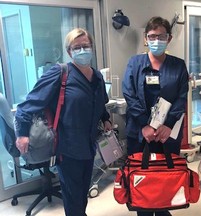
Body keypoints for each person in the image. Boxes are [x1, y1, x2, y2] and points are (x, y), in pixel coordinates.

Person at [14, 28, 112, 216]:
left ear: (92, 48)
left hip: (89, 147)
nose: (82, 50)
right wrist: (22, 134)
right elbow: (28, 104)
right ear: (69, 52)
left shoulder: (97, 77)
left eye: (86, 46)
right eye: (77, 47)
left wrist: (105, 118)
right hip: (67, 148)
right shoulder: (60, 73)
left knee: (81, 194)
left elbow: (99, 103)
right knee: (73, 197)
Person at [122, 16, 189, 216]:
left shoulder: (178, 65)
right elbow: (129, 94)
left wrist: (167, 125)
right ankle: (143, 208)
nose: (156, 40)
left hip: (167, 132)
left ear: (168, 38)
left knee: (164, 174)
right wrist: (145, 125)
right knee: (141, 173)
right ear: (145, 38)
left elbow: (181, 97)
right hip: (140, 131)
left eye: (161, 36)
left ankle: (161, 208)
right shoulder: (135, 63)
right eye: (152, 36)